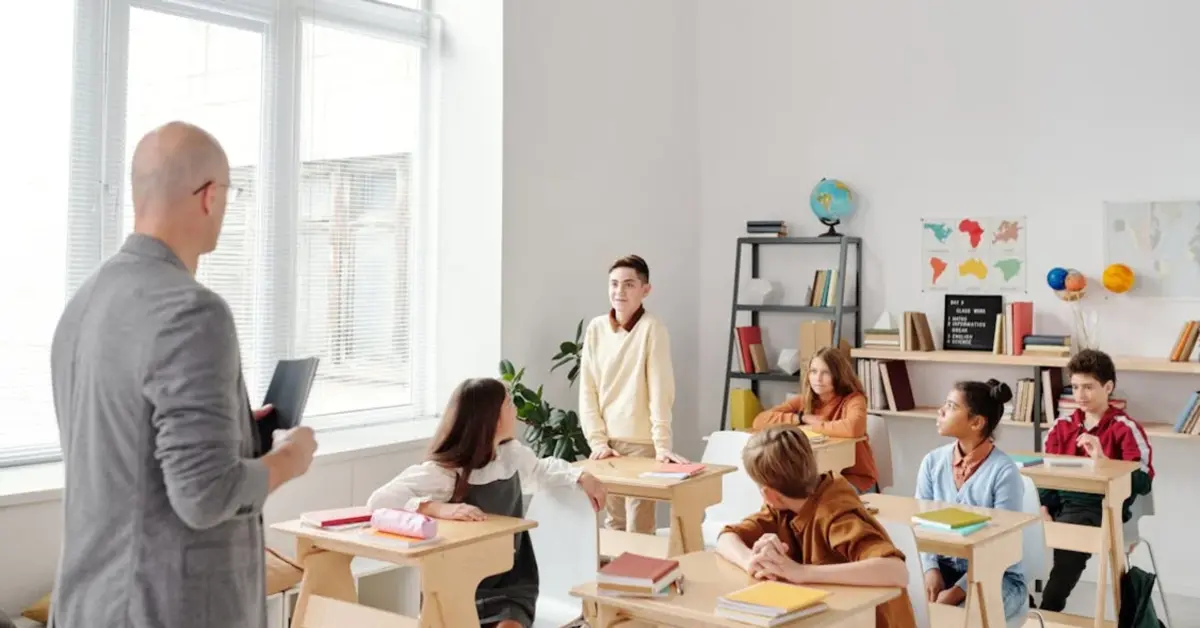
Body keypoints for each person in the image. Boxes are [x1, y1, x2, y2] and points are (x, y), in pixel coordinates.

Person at [49, 121, 318, 628]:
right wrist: (290, 456)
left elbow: (128, 453)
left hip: (88, 604)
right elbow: (205, 495)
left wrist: (238, 435)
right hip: (167, 607)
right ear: (210, 196)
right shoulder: (192, 311)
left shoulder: (82, 306)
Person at [367, 378, 608, 628]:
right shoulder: (448, 473)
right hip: (460, 582)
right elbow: (379, 500)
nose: (515, 410)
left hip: (511, 581)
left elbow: (541, 470)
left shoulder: (510, 456)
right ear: (492, 417)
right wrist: (437, 508)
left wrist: (582, 475)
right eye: (509, 404)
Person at [715, 426, 916, 628]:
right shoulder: (780, 510)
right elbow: (726, 537)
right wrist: (749, 560)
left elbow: (896, 571)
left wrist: (802, 572)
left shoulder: (835, 515)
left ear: (769, 494)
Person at [1039, 349, 1154, 612]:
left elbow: (1144, 480)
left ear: (1108, 387)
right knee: (1007, 525)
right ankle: (1018, 607)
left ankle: (1047, 611)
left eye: (1088, 387)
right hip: (1059, 505)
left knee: (1071, 533)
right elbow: (1043, 474)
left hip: (1102, 506)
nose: (1080, 395)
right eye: (1076, 387)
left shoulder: (1125, 427)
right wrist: (1043, 507)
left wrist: (1103, 461)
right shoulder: (1061, 426)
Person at [579, 254, 686, 534]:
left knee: (640, 526)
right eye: (614, 284)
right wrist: (597, 441)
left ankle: (644, 577)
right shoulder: (596, 329)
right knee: (613, 523)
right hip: (607, 446)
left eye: (628, 284)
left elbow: (661, 390)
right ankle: (614, 579)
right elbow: (587, 389)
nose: (619, 291)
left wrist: (662, 446)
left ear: (645, 290)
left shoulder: (652, 328)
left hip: (642, 444)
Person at [915, 379, 1028, 624]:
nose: (941, 411)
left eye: (951, 406)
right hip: (942, 569)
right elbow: (919, 526)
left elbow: (1000, 549)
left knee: (961, 620)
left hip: (998, 578)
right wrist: (930, 569)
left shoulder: (1004, 472)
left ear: (977, 422)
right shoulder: (932, 462)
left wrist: (956, 592)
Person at [752, 346, 880, 494]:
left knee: (815, 498)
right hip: (815, 477)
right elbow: (760, 421)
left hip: (853, 478)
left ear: (838, 375)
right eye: (813, 371)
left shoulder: (854, 400)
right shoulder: (805, 400)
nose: (817, 378)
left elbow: (853, 428)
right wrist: (801, 418)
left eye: (825, 372)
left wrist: (814, 426)